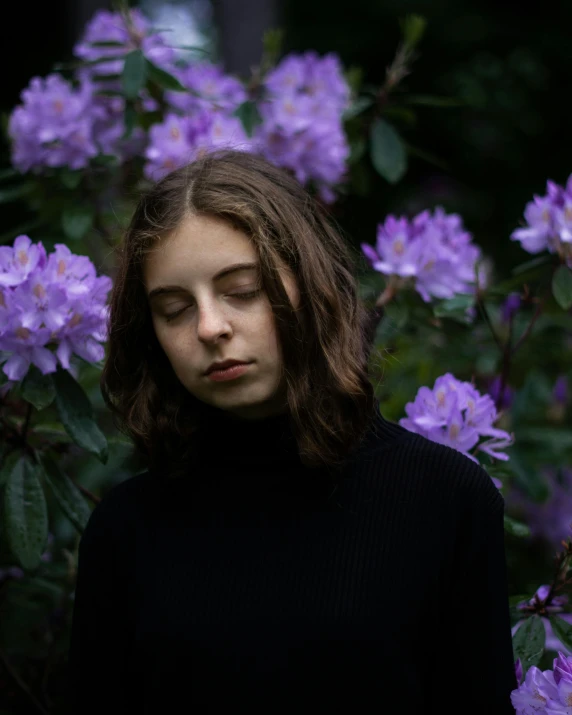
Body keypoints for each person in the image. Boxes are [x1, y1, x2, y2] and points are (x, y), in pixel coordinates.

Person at [66, 149, 517, 713]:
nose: (210, 327)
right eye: (175, 308)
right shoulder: (125, 530)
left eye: (242, 290)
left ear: (313, 283)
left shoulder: (446, 498)